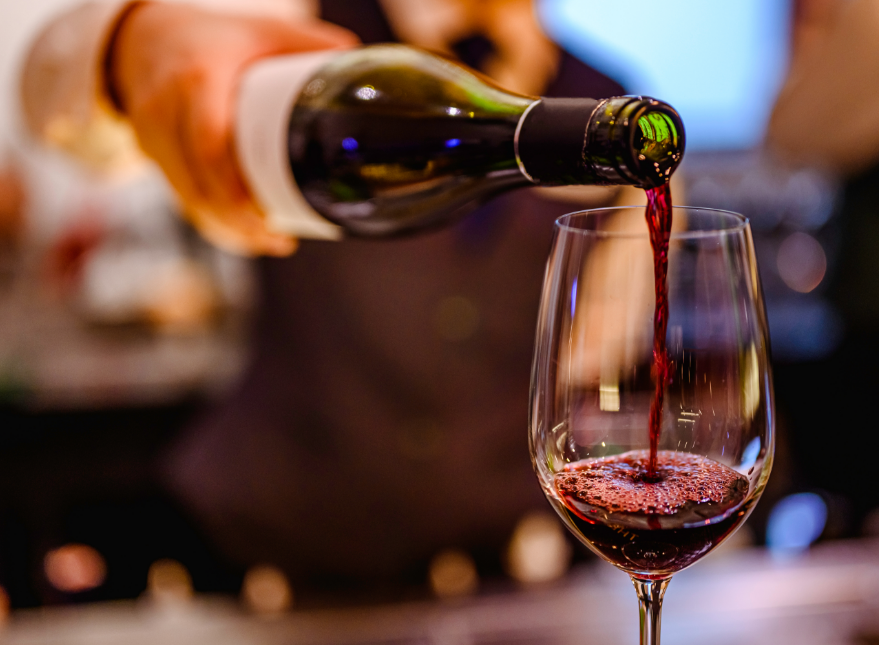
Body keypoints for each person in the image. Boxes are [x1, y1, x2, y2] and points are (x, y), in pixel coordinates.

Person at [20, 0, 629, 595]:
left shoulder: (606, 106)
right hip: (272, 571)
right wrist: (131, 41)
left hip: (503, 581)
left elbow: (596, 348)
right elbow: (49, 98)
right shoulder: (302, 35)